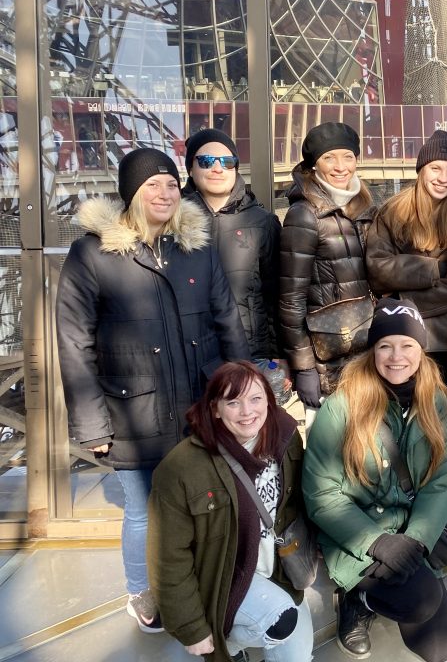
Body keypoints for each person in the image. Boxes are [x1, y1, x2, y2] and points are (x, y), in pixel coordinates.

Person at [56, 148, 250, 632]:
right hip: (132, 408)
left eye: (169, 183)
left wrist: (241, 386)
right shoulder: (93, 254)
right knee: (143, 512)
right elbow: (74, 341)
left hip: (198, 400)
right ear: (131, 194)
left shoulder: (198, 248)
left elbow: (226, 317)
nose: (164, 193)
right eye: (151, 185)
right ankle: (142, 591)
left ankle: (199, 580)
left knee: (203, 498)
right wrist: (91, 423)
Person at [303, 298, 447, 661]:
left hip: (407, 529)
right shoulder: (341, 407)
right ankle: (358, 599)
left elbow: (443, 475)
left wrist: (417, 539)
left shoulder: (433, 399)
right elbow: (321, 493)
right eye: (385, 345)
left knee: (438, 648)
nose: (396, 356)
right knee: (421, 601)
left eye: (407, 345)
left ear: (421, 351)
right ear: (371, 351)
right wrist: (378, 543)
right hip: (357, 536)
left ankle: (380, 591)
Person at [148, 361, 313, 662]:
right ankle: (228, 648)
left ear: (268, 400)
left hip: (277, 572)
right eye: (233, 402)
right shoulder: (181, 469)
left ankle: (235, 641)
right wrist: (191, 627)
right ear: (214, 409)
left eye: (255, 398)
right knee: (281, 619)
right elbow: (168, 558)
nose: (247, 412)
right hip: (225, 575)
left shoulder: (285, 439)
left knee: (298, 657)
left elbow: (296, 507)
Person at [365, 130, 447, 537]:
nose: (443, 177)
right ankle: (404, 517)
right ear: (420, 169)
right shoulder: (392, 213)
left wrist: (403, 295)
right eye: (435, 168)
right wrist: (431, 270)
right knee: (401, 433)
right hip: (401, 350)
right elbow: (377, 268)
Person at [279, 122, 376, 424]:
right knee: (330, 456)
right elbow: (290, 298)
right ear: (314, 164)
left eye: (347, 156)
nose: (340, 167)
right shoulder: (305, 214)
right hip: (326, 358)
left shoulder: (365, 207)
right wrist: (304, 366)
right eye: (329, 158)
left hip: (365, 350)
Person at [183, 128, 284, 372]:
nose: (217, 168)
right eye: (206, 161)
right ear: (190, 169)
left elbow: (276, 295)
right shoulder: (172, 222)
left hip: (252, 355)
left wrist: (279, 356)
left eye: (227, 162)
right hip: (191, 356)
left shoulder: (263, 222)